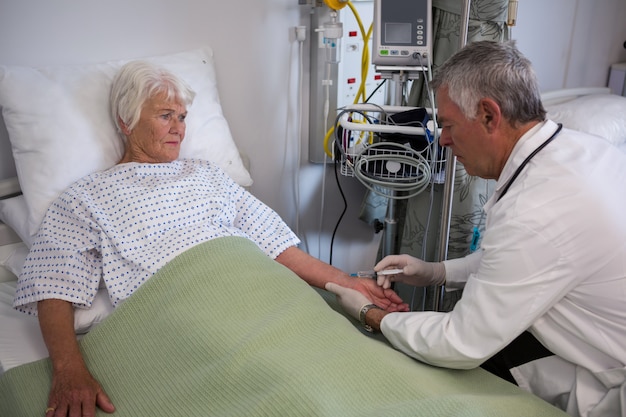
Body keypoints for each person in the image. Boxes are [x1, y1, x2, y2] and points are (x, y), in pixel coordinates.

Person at [12, 60, 408, 417]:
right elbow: (55, 285)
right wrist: (69, 369)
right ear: (125, 120)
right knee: (285, 386)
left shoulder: (207, 174)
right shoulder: (86, 197)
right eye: (166, 115)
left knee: (354, 363)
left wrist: (349, 283)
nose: (179, 128)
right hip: (186, 307)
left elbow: (276, 247)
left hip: (261, 290)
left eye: (183, 116)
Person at [325, 40, 626, 417]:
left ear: (488, 115)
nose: (444, 139)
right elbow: (528, 260)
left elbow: (461, 344)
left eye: (449, 124)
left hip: (610, 384)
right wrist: (438, 273)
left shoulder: (535, 209)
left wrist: (372, 314)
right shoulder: (585, 151)